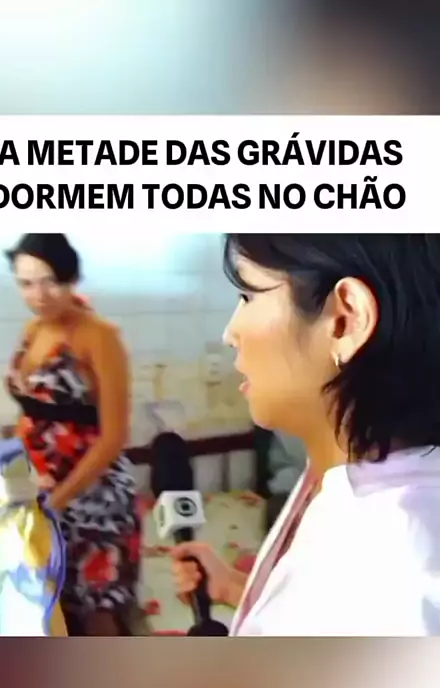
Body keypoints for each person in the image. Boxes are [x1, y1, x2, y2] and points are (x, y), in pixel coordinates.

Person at [172, 234, 440, 636]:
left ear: (346, 319)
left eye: (248, 295)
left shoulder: (398, 579)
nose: (230, 332)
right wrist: (237, 589)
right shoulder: (351, 477)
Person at [5, 233, 140, 636]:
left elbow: (114, 436)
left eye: (50, 281)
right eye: (26, 283)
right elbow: (32, 412)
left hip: (93, 496)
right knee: (56, 606)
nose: (39, 295)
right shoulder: (32, 330)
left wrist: (58, 500)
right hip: (43, 490)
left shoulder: (99, 336)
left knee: (98, 612)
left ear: (71, 278)